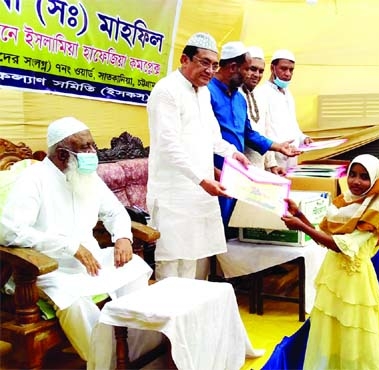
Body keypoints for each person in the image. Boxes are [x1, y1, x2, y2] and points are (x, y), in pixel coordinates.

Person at [0, 117, 153, 363]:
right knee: (75, 302)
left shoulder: (87, 175)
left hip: (91, 262)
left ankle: (136, 353)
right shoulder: (33, 179)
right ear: (62, 154)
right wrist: (69, 246)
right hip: (48, 270)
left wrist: (122, 236)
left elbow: (114, 211)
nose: (94, 152)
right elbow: (11, 231)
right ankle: (106, 363)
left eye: (92, 145)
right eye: (86, 147)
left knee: (134, 267)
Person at [146, 32, 251, 280]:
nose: (210, 70)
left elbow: (212, 136)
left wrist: (233, 154)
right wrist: (202, 180)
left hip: (198, 192)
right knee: (171, 262)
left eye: (214, 65)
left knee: (192, 259)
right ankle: (168, 317)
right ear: (185, 59)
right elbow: (168, 145)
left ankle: (188, 317)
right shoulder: (166, 91)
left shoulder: (203, 92)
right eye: (204, 62)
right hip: (174, 192)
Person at [281, 154, 379, 370]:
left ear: (376, 181)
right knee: (329, 332)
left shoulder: (375, 214)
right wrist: (301, 215)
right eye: (352, 174)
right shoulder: (342, 206)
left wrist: (301, 226)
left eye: (364, 177)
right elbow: (324, 235)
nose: (356, 181)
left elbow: (343, 245)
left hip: (355, 286)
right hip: (333, 278)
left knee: (352, 335)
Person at [208, 41, 300, 230]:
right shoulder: (206, 93)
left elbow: (248, 133)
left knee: (232, 226)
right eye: (247, 69)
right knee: (211, 226)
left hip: (236, 171)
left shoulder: (239, 98)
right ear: (234, 67)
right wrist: (208, 168)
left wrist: (276, 146)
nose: (251, 75)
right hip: (211, 172)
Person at [257, 49, 312, 169]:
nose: (288, 73)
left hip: (292, 156)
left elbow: (292, 125)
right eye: (283, 68)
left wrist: (303, 138)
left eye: (291, 70)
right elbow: (262, 132)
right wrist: (272, 161)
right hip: (274, 159)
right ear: (272, 68)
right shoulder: (261, 93)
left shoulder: (288, 94)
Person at [240, 46, 285, 175]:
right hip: (241, 163)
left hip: (259, 165)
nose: (257, 75)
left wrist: (272, 164)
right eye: (252, 69)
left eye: (261, 71)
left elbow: (266, 131)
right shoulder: (235, 94)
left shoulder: (260, 96)